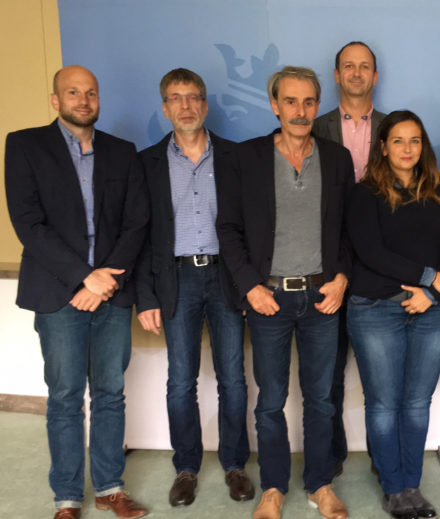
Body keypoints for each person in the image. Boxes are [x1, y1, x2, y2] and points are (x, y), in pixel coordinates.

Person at [4, 65, 148, 519]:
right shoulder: (24, 146)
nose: (83, 100)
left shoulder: (122, 152)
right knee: (65, 396)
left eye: (90, 93)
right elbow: (29, 224)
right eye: (72, 92)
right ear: (55, 100)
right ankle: (67, 497)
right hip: (58, 294)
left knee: (110, 393)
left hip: (111, 293)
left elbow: (136, 223)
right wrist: (84, 278)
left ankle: (109, 489)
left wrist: (105, 282)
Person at [217, 66, 354, 519]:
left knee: (321, 399)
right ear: (274, 105)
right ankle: (274, 488)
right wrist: (249, 286)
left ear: (318, 105)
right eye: (290, 101)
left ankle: (320, 484)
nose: (300, 111)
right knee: (271, 401)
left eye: (309, 101)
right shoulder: (247, 157)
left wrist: (342, 277)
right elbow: (228, 228)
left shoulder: (336, 158)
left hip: (321, 297)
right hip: (269, 299)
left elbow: (349, 228)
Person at [134, 68, 253, 507]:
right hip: (176, 278)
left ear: (205, 104)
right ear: (165, 108)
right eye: (175, 97)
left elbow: (253, 226)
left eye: (193, 97)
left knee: (233, 378)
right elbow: (140, 235)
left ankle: (235, 464)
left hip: (227, 276)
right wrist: (145, 296)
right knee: (180, 380)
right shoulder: (146, 163)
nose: (185, 105)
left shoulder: (236, 156)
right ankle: (185, 468)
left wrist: (250, 285)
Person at [346, 110, 440, 519]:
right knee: (383, 404)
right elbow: (371, 252)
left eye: (415, 140)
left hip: (431, 311)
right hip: (376, 310)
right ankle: (393, 488)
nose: (407, 148)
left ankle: (412, 485)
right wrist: (430, 277)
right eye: (398, 140)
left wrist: (432, 293)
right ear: (383, 147)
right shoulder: (365, 194)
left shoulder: (439, 188)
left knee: (416, 403)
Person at [313, 41, 386, 473]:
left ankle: (383, 455)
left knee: (381, 374)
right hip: (328, 266)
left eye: (365, 67)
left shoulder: (395, 128)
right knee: (329, 372)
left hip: (381, 266)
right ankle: (332, 454)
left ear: (375, 76)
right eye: (348, 66)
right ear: (337, 75)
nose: (356, 73)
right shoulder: (314, 127)